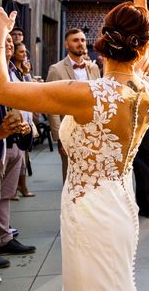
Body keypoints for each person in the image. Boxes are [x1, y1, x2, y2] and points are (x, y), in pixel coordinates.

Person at [0, 0, 149, 289]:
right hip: (121, 201)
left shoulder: (87, 94)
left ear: (103, 40)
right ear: (140, 45)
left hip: (89, 211)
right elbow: (146, 43)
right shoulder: (146, 86)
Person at [0, 34, 36, 266]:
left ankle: (3, 237)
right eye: (5, 42)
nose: (10, 45)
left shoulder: (15, 70)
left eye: (11, 42)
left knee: (6, 192)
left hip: (18, 138)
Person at [46, 28, 101, 182]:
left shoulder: (94, 68)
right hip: (68, 132)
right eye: (75, 40)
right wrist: (58, 138)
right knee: (71, 178)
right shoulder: (56, 70)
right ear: (66, 44)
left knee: (93, 176)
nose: (80, 43)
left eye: (82, 40)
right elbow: (51, 105)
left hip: (93, 131)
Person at [10, 42, 35, 198]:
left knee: (24, 156)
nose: (24, 54)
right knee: (19, 156)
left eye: (25, 51)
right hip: (17, 118)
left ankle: (21, 186)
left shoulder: (22, 71)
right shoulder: (10, 71)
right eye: (21, 51)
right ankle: (18, 188)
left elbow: (29, 90)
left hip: (26, 116)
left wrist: (27, 73)